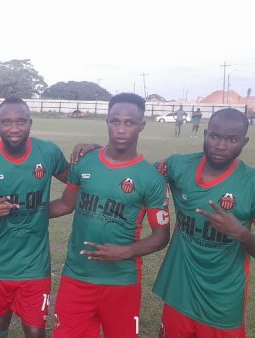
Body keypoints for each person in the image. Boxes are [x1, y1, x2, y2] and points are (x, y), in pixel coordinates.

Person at [48, 92, 171, 338]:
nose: (121, 129)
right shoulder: (84, 162)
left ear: (142, 126)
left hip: (122, 280)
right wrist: (24, 210)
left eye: (130, 123)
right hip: (77, 275)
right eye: (115, 121)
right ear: (107, 122)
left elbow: (161, 236)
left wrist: (123, 252)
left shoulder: (152, 179)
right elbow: (64, 204)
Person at [152, 108, 255, 337]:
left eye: (231, 139)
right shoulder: (178, 166)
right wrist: (98, 151)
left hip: (223, 301)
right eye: (214, 136)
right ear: (205, 134)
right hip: (180, 291)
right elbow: (138, 174)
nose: (220, 145)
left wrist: (240, 233)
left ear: (244, 142)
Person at [0, 97, 69, 338]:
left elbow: (75, 181)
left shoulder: (48, 152)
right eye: (6, 122)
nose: (13, 128)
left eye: (21, 121)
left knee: (35, 331)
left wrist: (91, 149)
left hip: (35, 264)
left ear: (30, 123)